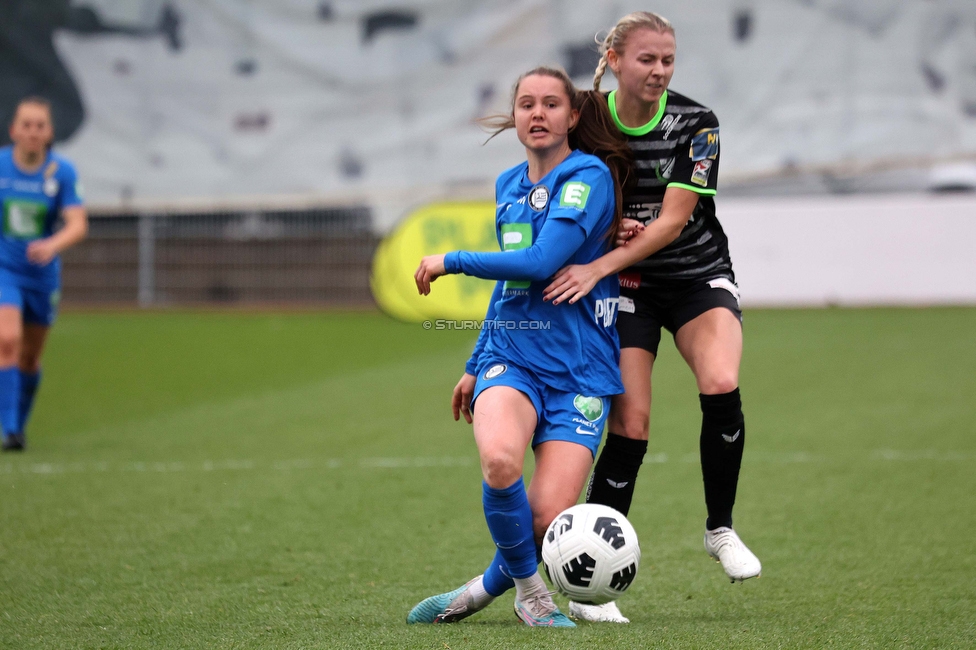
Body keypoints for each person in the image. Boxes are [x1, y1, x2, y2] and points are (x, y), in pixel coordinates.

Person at [541, 12, 762, 623]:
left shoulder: (697, 123)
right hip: (629, 284)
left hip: (694, 276)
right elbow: (558, 184)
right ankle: (591, 590)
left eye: (668, 60)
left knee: (720, 382)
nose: (660, 71)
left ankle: (720, 529)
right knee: (631, 424)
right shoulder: (582, 117)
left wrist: (596, 263)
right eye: (647, 59)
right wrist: (605, 235)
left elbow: (670, 222)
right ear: (613, 58)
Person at [406, 67, 632, 627]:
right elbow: (514, 285)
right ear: (515, 117)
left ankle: (480, 591)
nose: (537, 114)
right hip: (515, 356)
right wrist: (475, 363)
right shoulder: (509, 183)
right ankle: (534, 598)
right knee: (501, 460)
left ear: (572, 116)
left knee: (544, 519)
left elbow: (539, 263)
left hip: (581, 371)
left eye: (551, 104)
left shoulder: (589, 177)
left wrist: (451, 260)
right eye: (526, 104)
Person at [0, 97, 87, 451]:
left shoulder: (61, 172)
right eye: (26, 125)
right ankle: (9, 429)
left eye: (40, 125)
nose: (33, 132)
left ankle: (19, 424)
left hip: (42, 275)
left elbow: (78, 223)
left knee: (30, 357)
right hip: (5, 270)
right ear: (13, 130)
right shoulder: (2, 167)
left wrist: (52, 245)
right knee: (7, 340)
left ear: (49, 132)